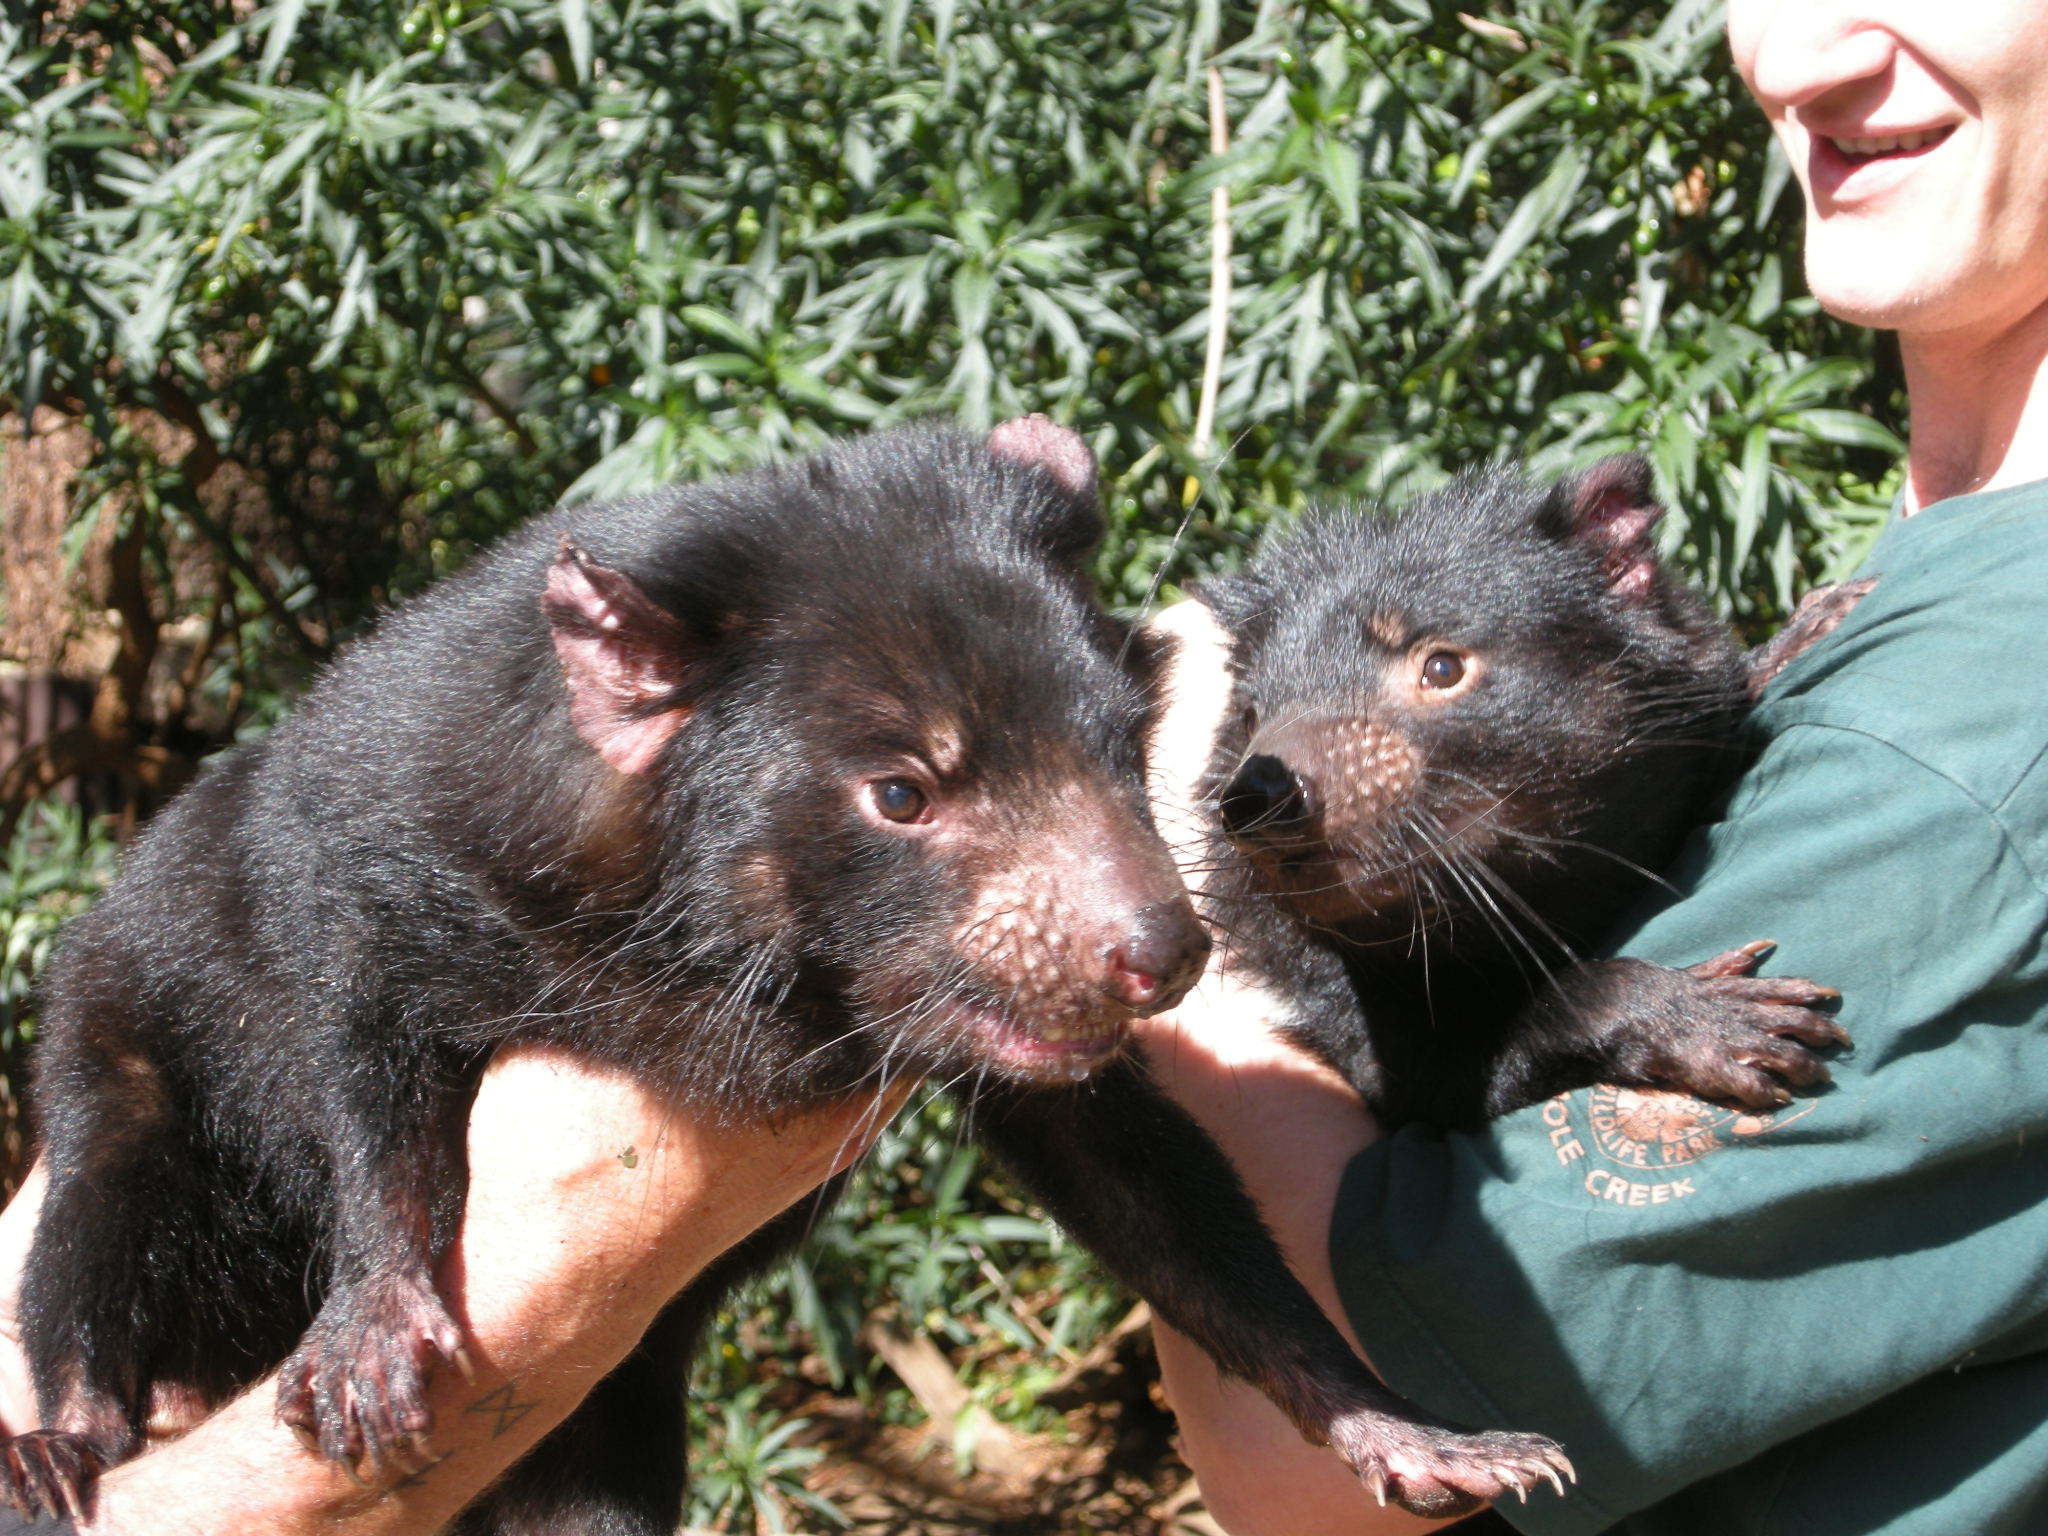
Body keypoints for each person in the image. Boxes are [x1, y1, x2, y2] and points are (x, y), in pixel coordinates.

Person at [1146, 1, 2048, 1532]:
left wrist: (1160, 931)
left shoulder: (1963, 736)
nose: (1800, 54)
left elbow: (1314, 1465)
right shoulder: (1917, 612)